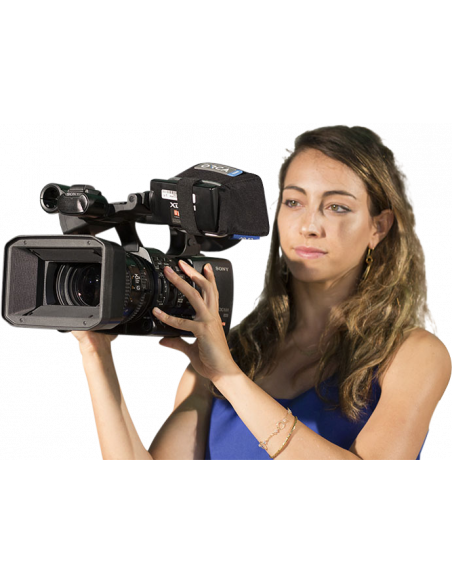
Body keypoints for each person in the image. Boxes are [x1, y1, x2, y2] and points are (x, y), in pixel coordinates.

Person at [71, 124, 451, 460]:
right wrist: (95, 349)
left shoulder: (413, 356)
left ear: (378, 228)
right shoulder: (230, 352)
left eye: (336, 207)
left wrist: (229, 378)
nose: (309, 226)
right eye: (294, 202)